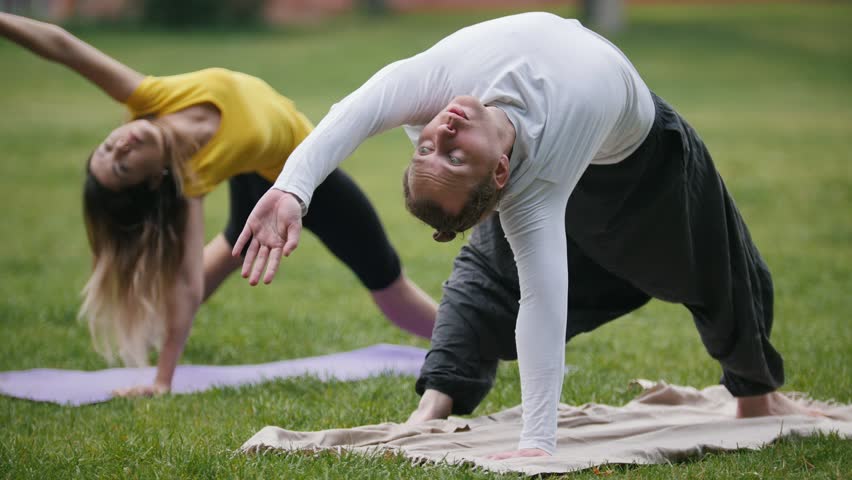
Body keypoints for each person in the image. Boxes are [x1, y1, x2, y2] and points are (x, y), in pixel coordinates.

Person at [236, 12, 818, 458]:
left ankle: (754, 398)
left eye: (429, 145)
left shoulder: (444, 94)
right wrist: (538, 444)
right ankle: (434, 406)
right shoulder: (531, 189)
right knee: (483, 278)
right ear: (498, 176)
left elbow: (355, 111)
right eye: (452, 154)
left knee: (716, 267)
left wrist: (292, 191)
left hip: (647, 175)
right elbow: (542, 298)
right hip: (566, 162)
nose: (444, 131)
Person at [0, 13, 437, 397]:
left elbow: (61, 46)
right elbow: (188, 282)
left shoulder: (148, 98)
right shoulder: (193, 175)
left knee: (231, 253)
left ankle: (152, 325)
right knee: (392, 291)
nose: (120, 145)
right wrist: (163, 381)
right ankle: (471, 339)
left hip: (260, 172)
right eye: (122, 165)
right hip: (300, 187)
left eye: (107, 147)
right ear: (152, 180)